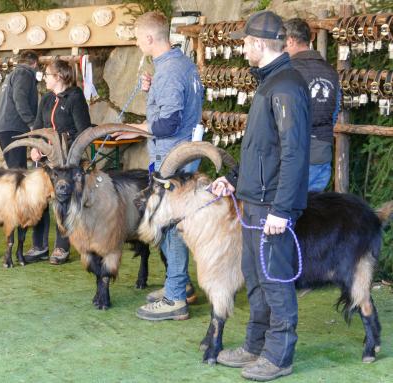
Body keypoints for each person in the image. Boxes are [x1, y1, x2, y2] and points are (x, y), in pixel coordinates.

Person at [210, 11, 311, 381]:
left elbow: (293, 154)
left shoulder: (286, 86)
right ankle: (255, 345)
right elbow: (260, 149)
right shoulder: (269, 83)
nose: (242, 47)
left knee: (276, 280)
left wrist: (282, 210)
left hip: (272, 208)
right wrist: (234, 179)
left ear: (256, 44)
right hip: (254, 202)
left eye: (245, 42)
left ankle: (279, 356)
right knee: (255, 276)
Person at [113, 11, 203, 320]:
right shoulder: (179, 64)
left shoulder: (170, 71)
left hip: (172, 158)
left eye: (138, 39)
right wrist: (153, 92)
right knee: (168, 224)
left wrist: (138, 128)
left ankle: (176, 297)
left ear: (150, 39)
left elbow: (169, 122)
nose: (138, 44)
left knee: (168, 225)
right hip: (178, 155)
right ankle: (180, 285)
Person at [23, 59, 91, 265]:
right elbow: (37, 127)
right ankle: (39, 246)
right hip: (46, 161)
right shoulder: (45, 99)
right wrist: (35, 147)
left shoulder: (75, 97)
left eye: (47, 75)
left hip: (67, 163)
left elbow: (84, 131)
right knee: (39, 200)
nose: (44, 78)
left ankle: (62, 247)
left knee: (63, 201)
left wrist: (64, 144)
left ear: (59, 76)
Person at [284, 18, 340, 192]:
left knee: (286, 215)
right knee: (313, 215)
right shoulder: (331, 72)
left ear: (290, 40)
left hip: (292, 157)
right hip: (321, 155)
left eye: (282, 42)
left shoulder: (287, 71)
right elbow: (334, 113)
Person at [0, 50, 39, 169]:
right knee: (18, 171)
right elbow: (20, 100)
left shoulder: (14, 74)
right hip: (13, 128)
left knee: (16, 170)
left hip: (7, 127)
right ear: (35, 64)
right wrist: (32, 123)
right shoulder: (24, 74)